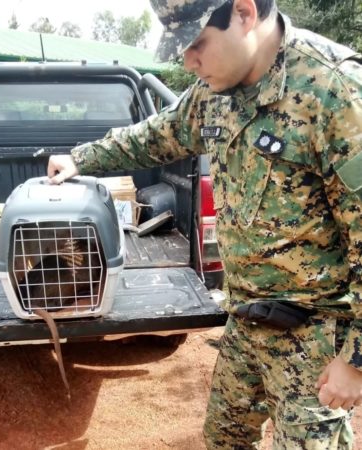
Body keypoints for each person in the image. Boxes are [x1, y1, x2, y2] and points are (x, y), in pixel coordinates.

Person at [48, 0, 362, 447]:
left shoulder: (335, 91)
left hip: (315, 336)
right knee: (223, 440)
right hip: (246, 319)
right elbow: (159, 135)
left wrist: (356, 360)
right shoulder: (214, 93)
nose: (188, 61)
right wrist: (81, 158)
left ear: (245, 12)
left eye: (197, 43)